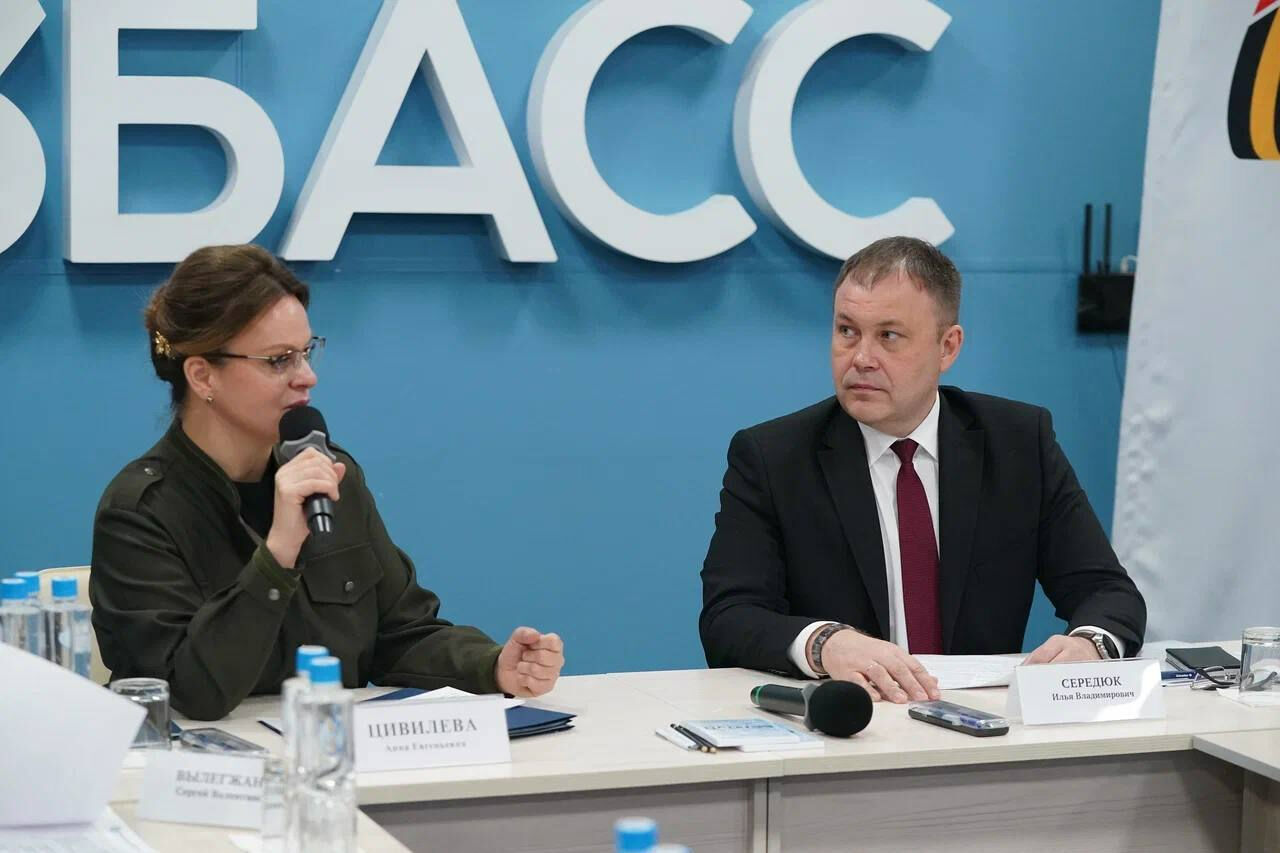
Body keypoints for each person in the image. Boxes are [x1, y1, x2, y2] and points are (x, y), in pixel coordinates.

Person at [90, 244, 564, 720]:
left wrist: (491, 667)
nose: (307, 377)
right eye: (279, 360)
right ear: (202, 376)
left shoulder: (332, 476)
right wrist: (277, 557)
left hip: (328, 750)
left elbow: (401, 634)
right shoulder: (140, 511)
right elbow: (189, 692)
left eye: (306, 352)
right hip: (206, 760)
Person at [699, 237, 1145, 703]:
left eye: (888, 336)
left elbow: (1106, 591)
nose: (861, 358)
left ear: (947, 347)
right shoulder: (774, 457)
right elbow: (729, 618)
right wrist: (824, 643)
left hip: (983, 720)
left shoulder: (1017, 444)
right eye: (847, 331)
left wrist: (1089, 646)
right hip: (850, 719)